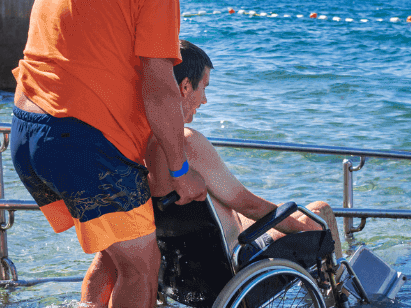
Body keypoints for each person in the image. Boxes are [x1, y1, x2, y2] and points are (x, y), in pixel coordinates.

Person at [9, 0, 207, 308]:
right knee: (142, 264)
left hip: (27, 132)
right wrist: (179, 169)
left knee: (115, 253)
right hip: (83, 143)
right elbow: (160, 88)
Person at [147, 40, 345, 259]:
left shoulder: (144, 146)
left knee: (282, 211)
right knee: (320, 212)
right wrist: (311, 234)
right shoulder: (187, 143)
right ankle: (339, 290)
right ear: (185, 87)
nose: (204, 100)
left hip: (190, 262)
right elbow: (249, 205)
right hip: (239, 259)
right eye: (204, 88)